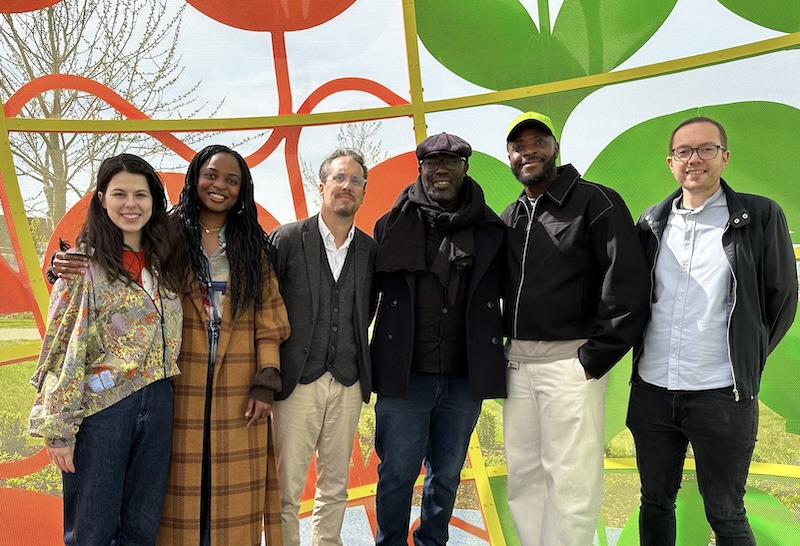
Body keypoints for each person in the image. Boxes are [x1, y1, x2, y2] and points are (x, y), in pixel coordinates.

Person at [50, 144, 291, 545]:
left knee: (214, 499)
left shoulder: (253, 247)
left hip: (236, 384)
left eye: (232, 180)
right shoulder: (168, 236)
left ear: (243, 190)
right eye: (212, 175)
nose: (220, 186)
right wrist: (60, 266)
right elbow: (106, 263)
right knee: (164, 502)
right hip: (178, 385)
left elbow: (270, 318)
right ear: (195, 177)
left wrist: (266, 377)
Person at [626, 116, 798, 545]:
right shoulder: (651, 222)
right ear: (671, 162)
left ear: (724, 157)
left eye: (705, 149)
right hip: (652, 390)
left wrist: (747, 357)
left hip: (722, 393)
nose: (694, 159)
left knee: (725, 512)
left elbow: (782, 300)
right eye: (684, 151)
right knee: (655, 502)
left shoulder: (759, 216)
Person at [502, 111, 650, 546]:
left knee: (571, 482)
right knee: (523, 477)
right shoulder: (511, 214)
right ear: (509, 156)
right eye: (518, 146)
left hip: (571, 362)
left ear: (555, 148)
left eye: (537, 142)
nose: (528, 151)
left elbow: (626, 284)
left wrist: (592, 360)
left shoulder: (595, 201)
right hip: (517, 364)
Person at [29, 153, 184, 546]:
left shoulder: (166, 265)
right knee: (92, 529)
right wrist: (59, 429)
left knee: (142, 526)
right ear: (101, 198)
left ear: (154, 202)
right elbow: (61, 347)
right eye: (119, 194)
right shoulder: (81, 267)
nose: (131, 204)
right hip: (102, 411)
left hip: (159, 400)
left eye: (141, 195)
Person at [370, 132, 507, 545]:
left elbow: (511, 292)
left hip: (465, 377)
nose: (441, 170)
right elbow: (368, 296)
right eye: (432, 163)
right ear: (421, 170)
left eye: (450, 162)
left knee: (446, 474)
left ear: (465, 168)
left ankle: (433, 541)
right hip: (404, 374)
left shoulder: (490, 229)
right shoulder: (390, 224)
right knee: (396, 473)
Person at [268, 149, 377, 546]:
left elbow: (364, 310)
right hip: (297, 382)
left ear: (364, 192)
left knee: (336, 487)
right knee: (286, 488)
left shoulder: (370, 251)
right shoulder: (287, 239)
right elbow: (266, 308)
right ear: (323, 186)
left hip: (348, 381)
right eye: (340, 178)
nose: (347, 186)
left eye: (355, 181)